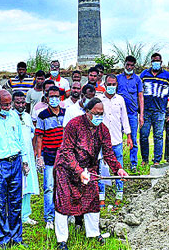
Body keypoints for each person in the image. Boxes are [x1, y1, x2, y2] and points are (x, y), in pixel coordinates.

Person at [53, 98, 129, 248]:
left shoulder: (103, 129)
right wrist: (79, 171)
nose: (99, 116)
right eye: (96, 113)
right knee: (64, 201)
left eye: (101, 113)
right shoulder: (73, 125)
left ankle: (93, 234)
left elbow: (108, 153)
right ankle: (61, 240)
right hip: (66, 168)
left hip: (89, 168)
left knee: (92, 199)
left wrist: (118, 169)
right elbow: (67, 151)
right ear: (87, 112)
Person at [0, 90, 29, 247]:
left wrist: (25, 160)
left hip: (15, 161)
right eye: (5, 104)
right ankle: (4, 238)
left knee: (16, 201)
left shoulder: (14, 116)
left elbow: (20, 140)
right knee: (0, 203)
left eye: (10, 104)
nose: (8, 107)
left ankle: (17, 237)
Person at [97, 74, 131, 208]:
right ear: (105, 85)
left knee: (119, 168)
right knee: (102, 170)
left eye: (113, 84)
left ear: (117, 85)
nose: (111, 87)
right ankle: (101, 198)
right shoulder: (99, 100)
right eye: (109, 84)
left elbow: (124, 118)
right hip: (102, 142)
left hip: (117, 140)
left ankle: (119, 196)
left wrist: (128, 136)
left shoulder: (120, 100)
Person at [139, 53, 169, 165]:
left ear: (161, 62)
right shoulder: (144, 74)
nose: (156, 63)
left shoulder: (167, 76)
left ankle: (157, 160)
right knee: (143, 135)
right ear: (151, 62)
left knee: (158, 136)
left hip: (160, 111)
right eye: (154, 61)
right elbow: (139, 90)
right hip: (146, 110)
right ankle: (145, 159)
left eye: (158, 61)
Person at [35, 86, 66, 229]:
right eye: (51, 96)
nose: (54, 99)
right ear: (47, 98)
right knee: (49, 187)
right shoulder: (42, 115)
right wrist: (39, 156)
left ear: (60, 97)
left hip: (65, 156)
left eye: (56, 96)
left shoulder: (66, 113)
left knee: (66, 186)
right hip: (49, 156)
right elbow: (39, 137)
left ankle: (67, 213)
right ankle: (49, 218)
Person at [12, 91, 39, 226]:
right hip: (15, 157)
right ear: (12, 103)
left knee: (28, 186)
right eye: (18, 102)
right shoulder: (9, 117)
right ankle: (14, 215)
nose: (21, 105)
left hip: (28, 155)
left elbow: (33, 134)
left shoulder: (28, 117)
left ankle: (25, 215)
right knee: (16, 186)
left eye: (23, 102)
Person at [116, 56, 144, 172]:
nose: (129, 67)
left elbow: (140, 97)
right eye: (127, 65)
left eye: (131, 65)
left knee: (133, 139)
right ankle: (117, 165)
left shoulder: (137, 80)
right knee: (117, 139)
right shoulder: (118, 78)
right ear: (124, 64)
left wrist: (141, 115)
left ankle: (133, 164)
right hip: (118, 115)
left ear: (134, 66)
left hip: (132, 114)